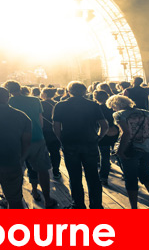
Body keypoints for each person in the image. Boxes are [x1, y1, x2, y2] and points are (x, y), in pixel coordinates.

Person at [53, 81, 108, 209]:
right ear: (84, 91)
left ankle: (78, 205)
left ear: (69, 91)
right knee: (93, 176)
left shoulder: (60, 105)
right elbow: (104, 125)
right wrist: (98, 138)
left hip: (70, 143)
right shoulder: (93, 105)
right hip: (90, 143)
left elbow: (56, 126)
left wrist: (61, 140)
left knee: (74, 176)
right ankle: (96, 206)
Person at [4, 80, 57, 208]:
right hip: (37, 138)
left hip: (16, 140)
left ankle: (13, 200)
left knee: (15, 171)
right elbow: (41, 122)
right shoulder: (35, 100)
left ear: (7, 91)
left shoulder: (8, 102)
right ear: (20, 87)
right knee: (42, 170)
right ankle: (47, 199)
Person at [107, 94, 149, 209]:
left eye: (112, 107)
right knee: (145, 176)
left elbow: (126, 133)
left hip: (130, 150)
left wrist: (120, 151)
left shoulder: (119, 114)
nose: (112, 109)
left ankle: (134, 208)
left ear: (116, 105)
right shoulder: (147, 113)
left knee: (131, 179)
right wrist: (148, 136)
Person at [93, 90, 119, 186]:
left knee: (104, 156)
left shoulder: (97, 108)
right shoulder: (113, 107)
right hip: (116, 131)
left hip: (102, 132)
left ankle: (104, 177)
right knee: (119, 153)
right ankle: (126, 174)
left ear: (95, 98)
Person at [40, 88, 62, 180]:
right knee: (55, 152)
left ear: (44, 94)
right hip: (55, 131)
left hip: (43, 131)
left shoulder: (40, 104)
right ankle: (56, 171)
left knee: (43, 152)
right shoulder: (57, 104)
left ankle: (43, 172)